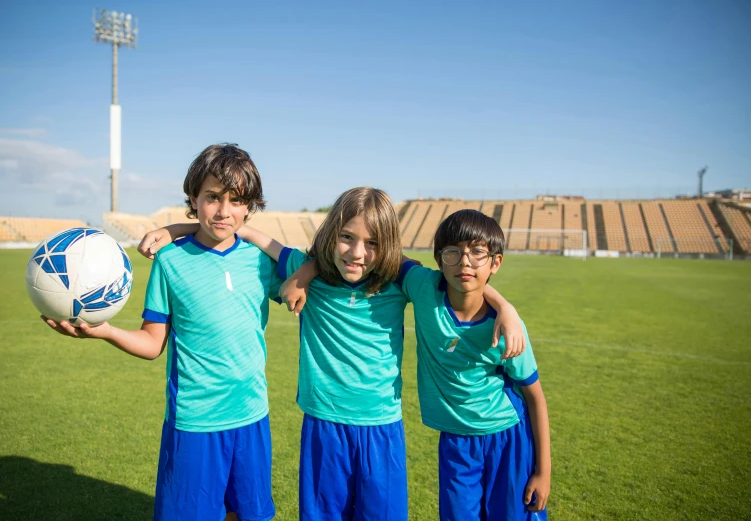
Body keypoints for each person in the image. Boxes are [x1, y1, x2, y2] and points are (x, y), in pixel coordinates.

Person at [139, 187, 526, 520]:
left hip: (381, 427)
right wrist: (176, 228)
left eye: (372, 243)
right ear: (330, 237)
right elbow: (239, 230)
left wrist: (504, 305)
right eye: (346, 238)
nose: (357, 252)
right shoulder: (310, 271)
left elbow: (460, 280)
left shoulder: (401, 280)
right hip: (323, 425)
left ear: (386, 245)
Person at [42, 143, 281, 521]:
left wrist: (176, 227)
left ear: (250, 206)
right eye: (212, 197)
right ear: (194, 198)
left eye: (236, 200)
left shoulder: (261, 263)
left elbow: (314, 266)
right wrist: (105, 332)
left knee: (245, 513)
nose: (223, 210)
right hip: (195, 420)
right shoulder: (170, 261)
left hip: (252, 415)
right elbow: (153, 343)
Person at [397, 209, 551, 520]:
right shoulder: (424, 288)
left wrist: (543, 472)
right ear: (439, 259)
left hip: (506, 436)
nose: (465, 261)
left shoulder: (509, 329)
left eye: (478, 252)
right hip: (456, 442)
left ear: (496, 262)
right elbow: (388, 254)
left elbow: (535, 398)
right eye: (453, 252)